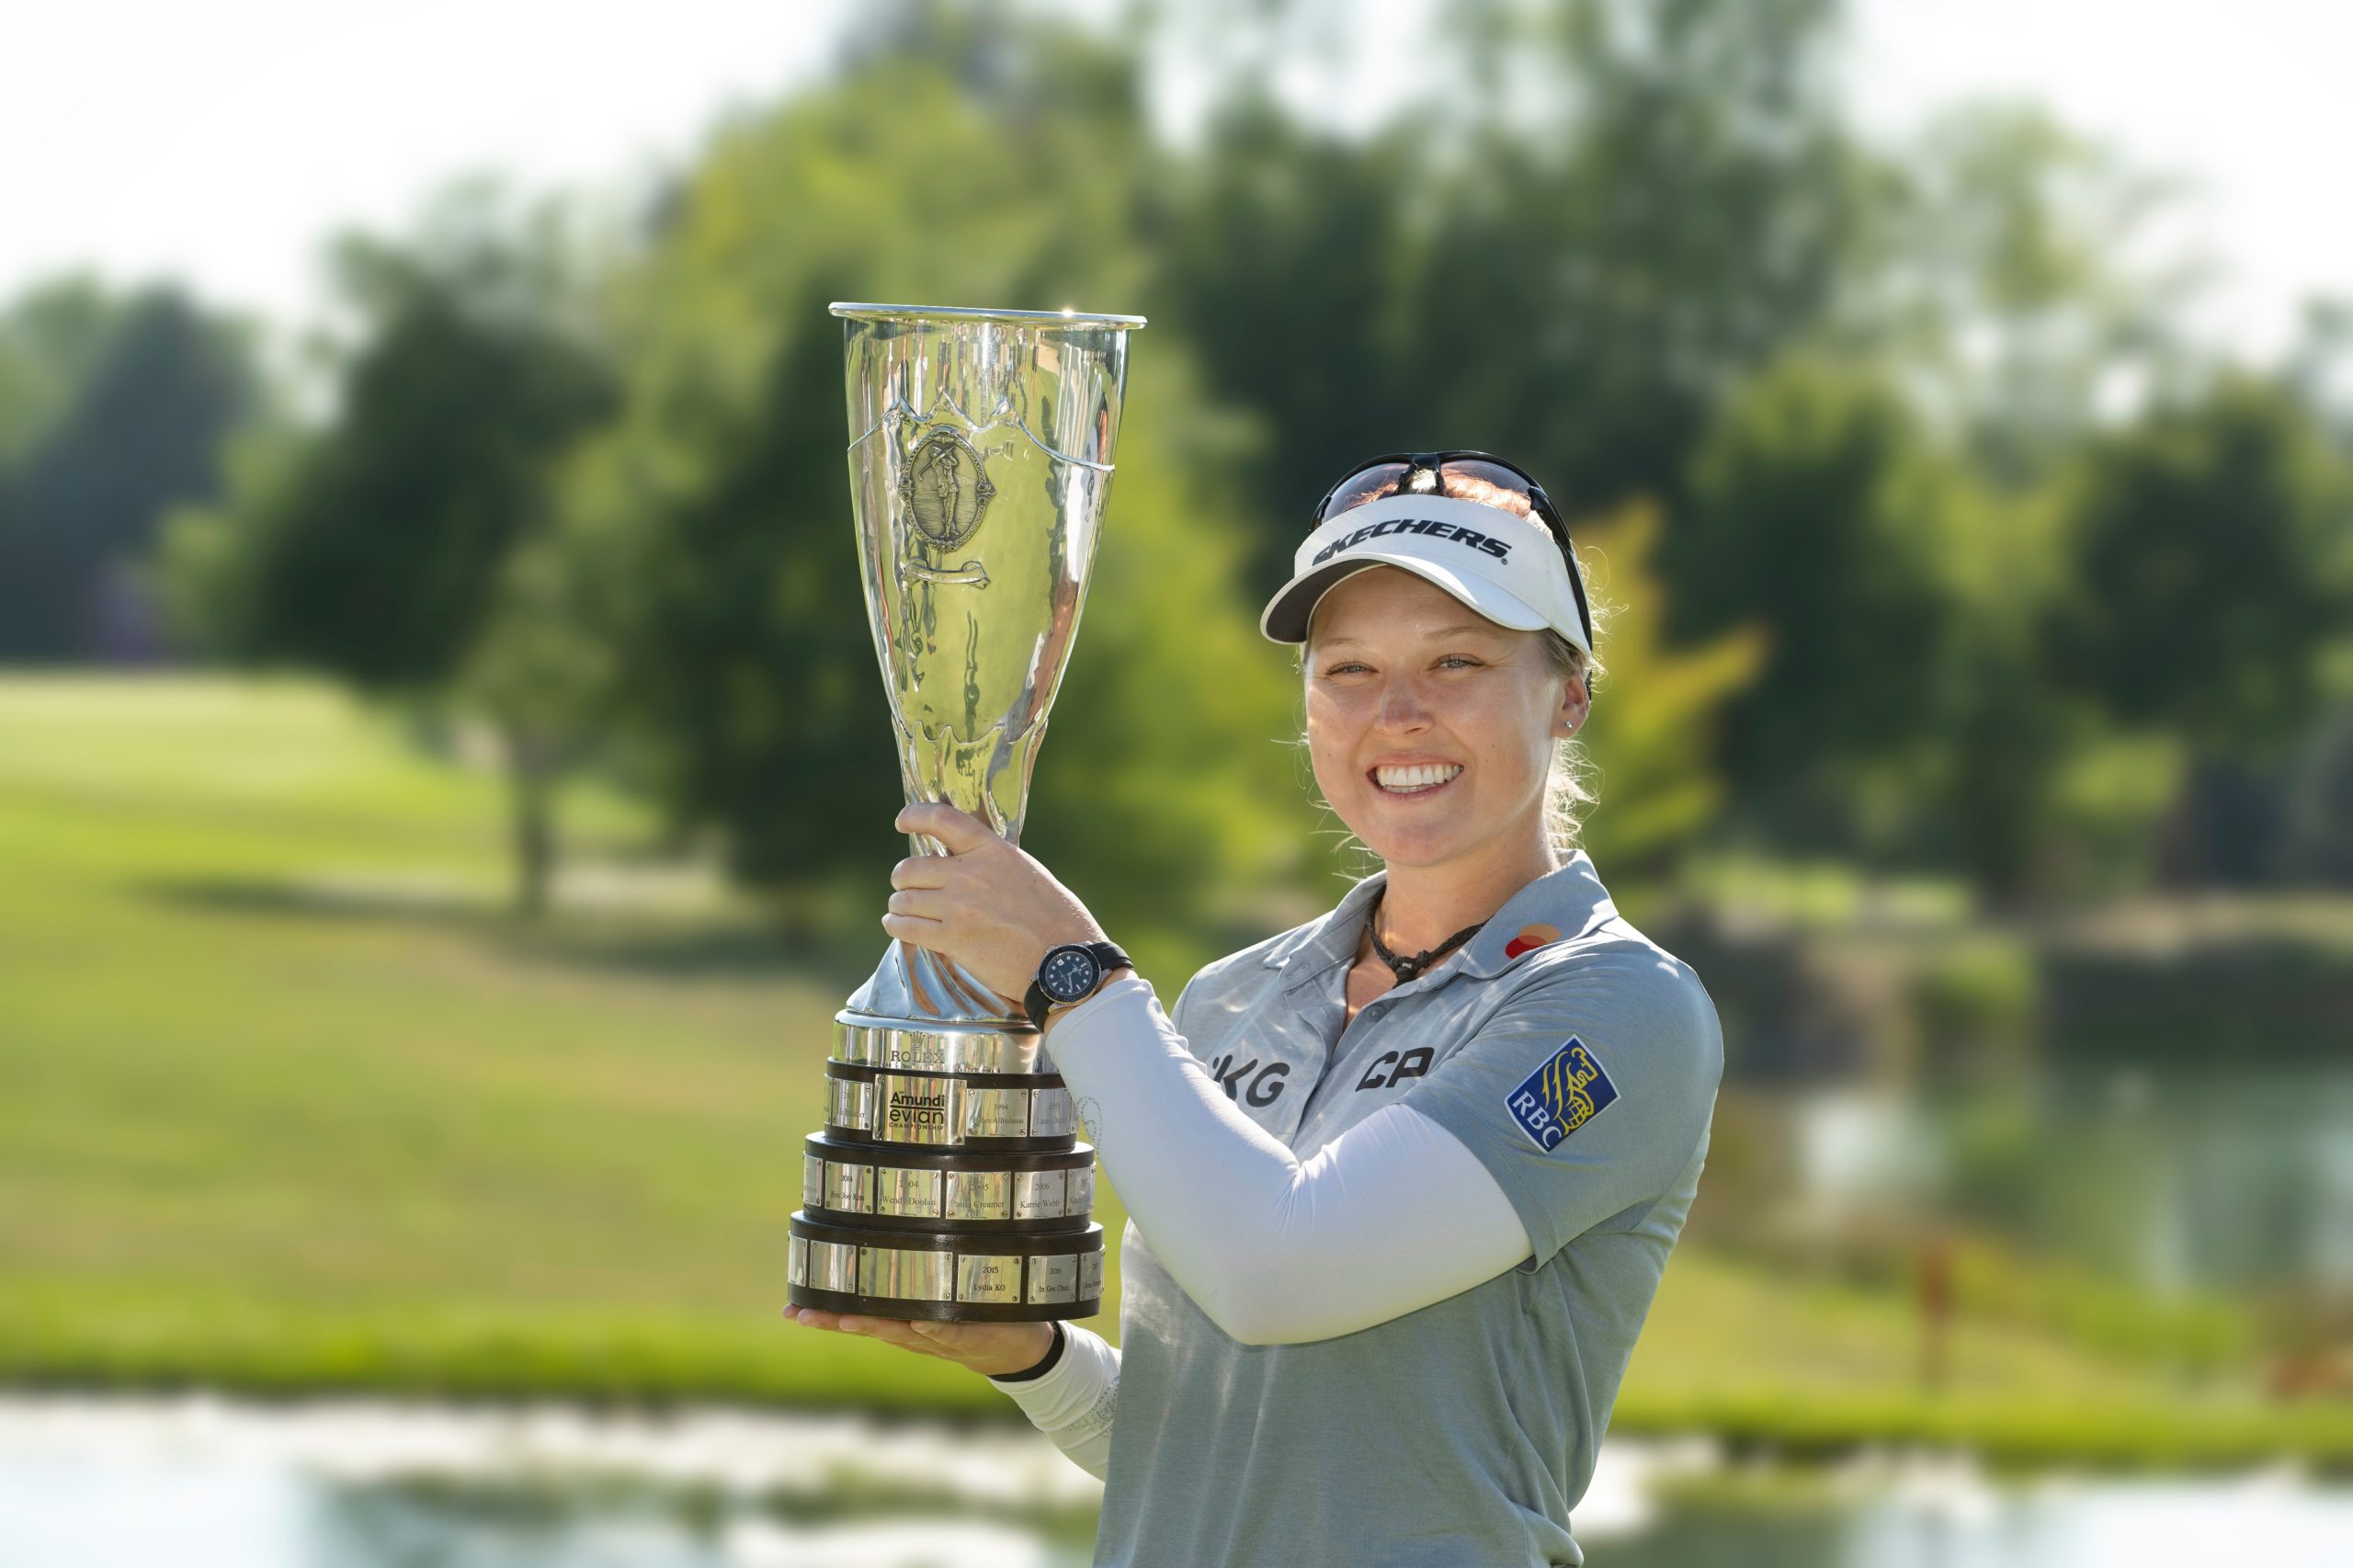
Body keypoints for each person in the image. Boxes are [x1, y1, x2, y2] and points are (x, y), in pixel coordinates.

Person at [784, 450, 1724, 1568]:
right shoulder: (1236, 995)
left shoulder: (1620, 1011)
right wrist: (1029, 1355)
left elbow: (1281, 1271)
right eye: (1349, 670)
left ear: (1569, 692)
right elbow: (1219, 1441)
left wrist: (1073, 974)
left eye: (1457, 660)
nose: (1400, 714)